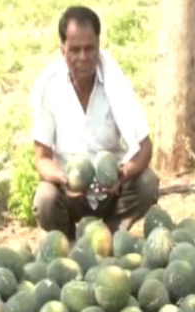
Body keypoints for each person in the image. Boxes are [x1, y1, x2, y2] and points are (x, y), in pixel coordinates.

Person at [29, 6, 159, 241]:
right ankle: (67, 242)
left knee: (148, 183)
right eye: (75, 50)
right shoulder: (49, 88)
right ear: (62, 50)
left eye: (90, 49)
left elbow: (145, 147)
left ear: (99, 46)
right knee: (44, 199)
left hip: (112, 191)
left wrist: (123, 173)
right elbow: (42, 158)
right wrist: (63, 179)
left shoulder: (115, 84)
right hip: (70, 194)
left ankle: (109, 235)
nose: (83, 58)